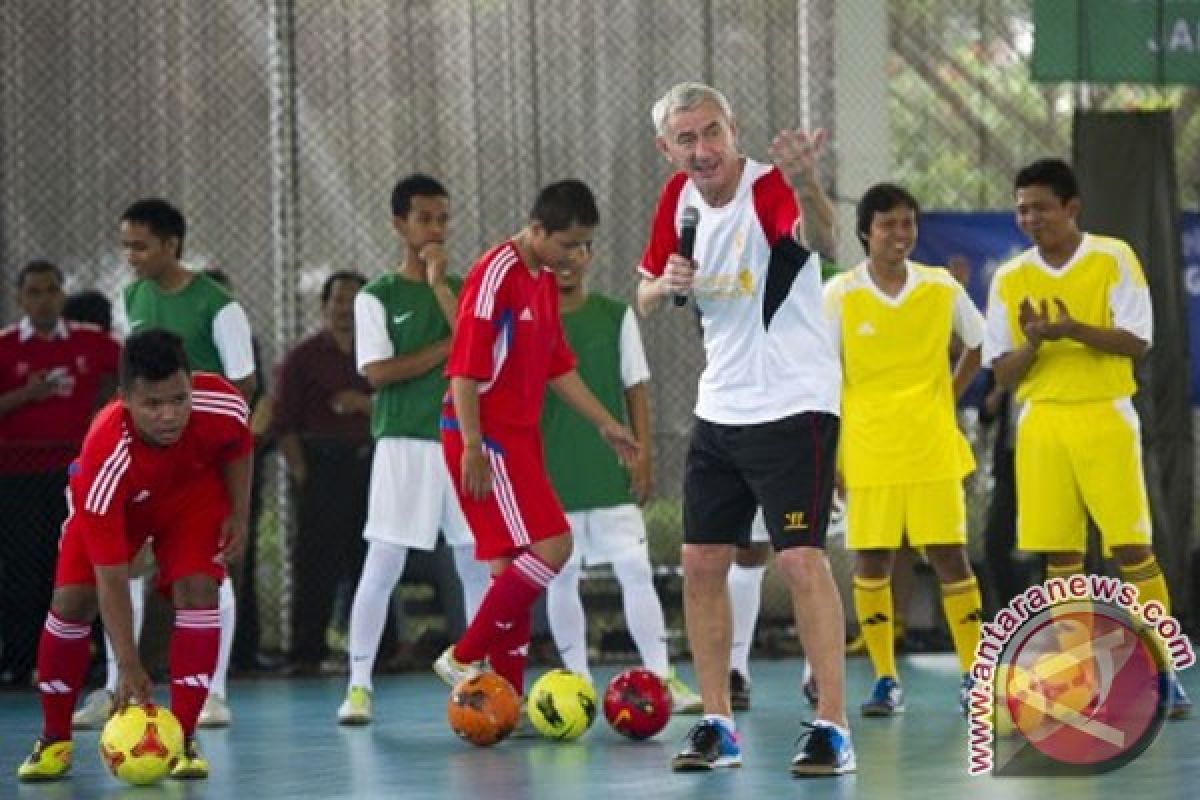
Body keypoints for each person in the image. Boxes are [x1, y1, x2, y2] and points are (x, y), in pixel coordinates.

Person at [636, 81, 853, 776]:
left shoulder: (769, 191)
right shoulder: (676, 201)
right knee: (701, 562)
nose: (702, 150)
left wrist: (810, 184)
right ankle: (716, 723)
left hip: (794, 404)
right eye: (686, 139)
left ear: (734, 130)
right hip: (720, 407)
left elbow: (823, 241)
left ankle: (832, 728)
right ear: (667, 148)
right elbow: (645, 293)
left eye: (712, 133)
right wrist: (662, 281)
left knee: (798, 560)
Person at [983, 157, 1191, 718]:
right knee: (1060, 556)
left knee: (1132, 549)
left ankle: (1165, 672)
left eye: (1042, 207)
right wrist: (1034, 343)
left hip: (1106, 416)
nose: (1030, 218)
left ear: (1071, 207)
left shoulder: (1113, 257)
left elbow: (1137, 342)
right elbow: (1003, 373)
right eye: (1022, 208)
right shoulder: (1010, 277)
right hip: (1042, 423)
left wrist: (1071, 328)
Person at [432, 180, 640, 712]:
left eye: (587, 245)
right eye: (570, 243)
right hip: (486, 439)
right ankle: (464, 656)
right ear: (537, 229)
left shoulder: (543, 281)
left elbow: (558, 366)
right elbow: (464, 365)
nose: (579, 256)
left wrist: (605, 423)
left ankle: (505, 700)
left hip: (517, 439)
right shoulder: (494, 273)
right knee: (554, 546)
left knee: (511, 571)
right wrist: (474, 445)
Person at [15, 329, 252, 782]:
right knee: (72, 601)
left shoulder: (220, 401)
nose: (171, 415)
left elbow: (239, 444)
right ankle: (54, 740)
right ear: (124, 399)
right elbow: (112, 578)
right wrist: (127, 665)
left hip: (190, 495)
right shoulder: (102, 456)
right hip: (118, 502)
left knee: (199, 590)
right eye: (154, 405)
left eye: (179, 399)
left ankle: (181, 741)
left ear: (191, 385)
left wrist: (239, 512)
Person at [87, 199, 257, 730]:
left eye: (140, 245)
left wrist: (198, 431)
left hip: (201, 460)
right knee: (125, 572)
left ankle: (213, 691)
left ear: (171, 245)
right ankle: (121, 684)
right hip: (143, 460)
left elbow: (244, 384)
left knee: (207, 575)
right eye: (126, 246)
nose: (130, 256)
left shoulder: (218, 304)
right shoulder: (132, 296)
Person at [824, 183, 985, 717]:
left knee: (949, 557)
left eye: (908, 223)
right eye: (889, 224)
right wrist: (829, 458)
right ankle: (885, 680)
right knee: (872, 561)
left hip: (932, 448)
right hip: (868, 451)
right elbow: (823, 377)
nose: (900, 233)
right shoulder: (840, 295)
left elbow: (979, 343)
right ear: (866, 231)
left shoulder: (940, 286)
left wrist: (948, 396)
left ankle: (973, 676)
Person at [337, 174, 491, 725]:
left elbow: (479, 354)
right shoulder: (376, 296)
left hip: (462, 442)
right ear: (400, 223)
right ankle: (358, 686)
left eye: (443, 217)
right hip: (403, 445)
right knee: (383, 563)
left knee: (476, 561)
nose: (435, 228)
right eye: (424, 218)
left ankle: (478, 679)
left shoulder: (464, 286)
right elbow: (378, 373)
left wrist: (441, 289)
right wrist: (445, 348)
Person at [540, 232, 702, 713]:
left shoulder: (615, 315)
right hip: (553, 470)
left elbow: (636, 388)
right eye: (561, 248)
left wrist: (644, 455)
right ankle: (578, 684)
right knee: (561, 576)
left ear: (591, 255)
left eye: (580, 248)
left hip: (609, 468)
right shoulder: (529, 317)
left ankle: (662, 674)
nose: (570, 259)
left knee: (635, 569)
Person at [0, 262, 120, 688]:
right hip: (17, 477)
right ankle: (22, 660)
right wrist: (27, 394)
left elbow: (125, 377)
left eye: (52, 290)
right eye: (34, 291)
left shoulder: (92, 342)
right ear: (20, 298)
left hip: (77, 475)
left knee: (82, 567)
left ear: (62, 295)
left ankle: (93, 662)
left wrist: (101, 409)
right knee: (23, 569)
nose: (44, 299)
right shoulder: (6, 346)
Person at [275, 271, 377, 676]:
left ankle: (375, 652)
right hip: (320, 464)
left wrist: (361, 403)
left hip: (369, 461)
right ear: (324, 306)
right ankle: (307, 651)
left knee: (368, 558)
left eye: (354, 302)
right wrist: (301, 471)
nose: (345, 310)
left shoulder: (380, 356)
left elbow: (397, 407)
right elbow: (284, 422)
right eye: (338, 301)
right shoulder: (304, 357)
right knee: (315, 561)